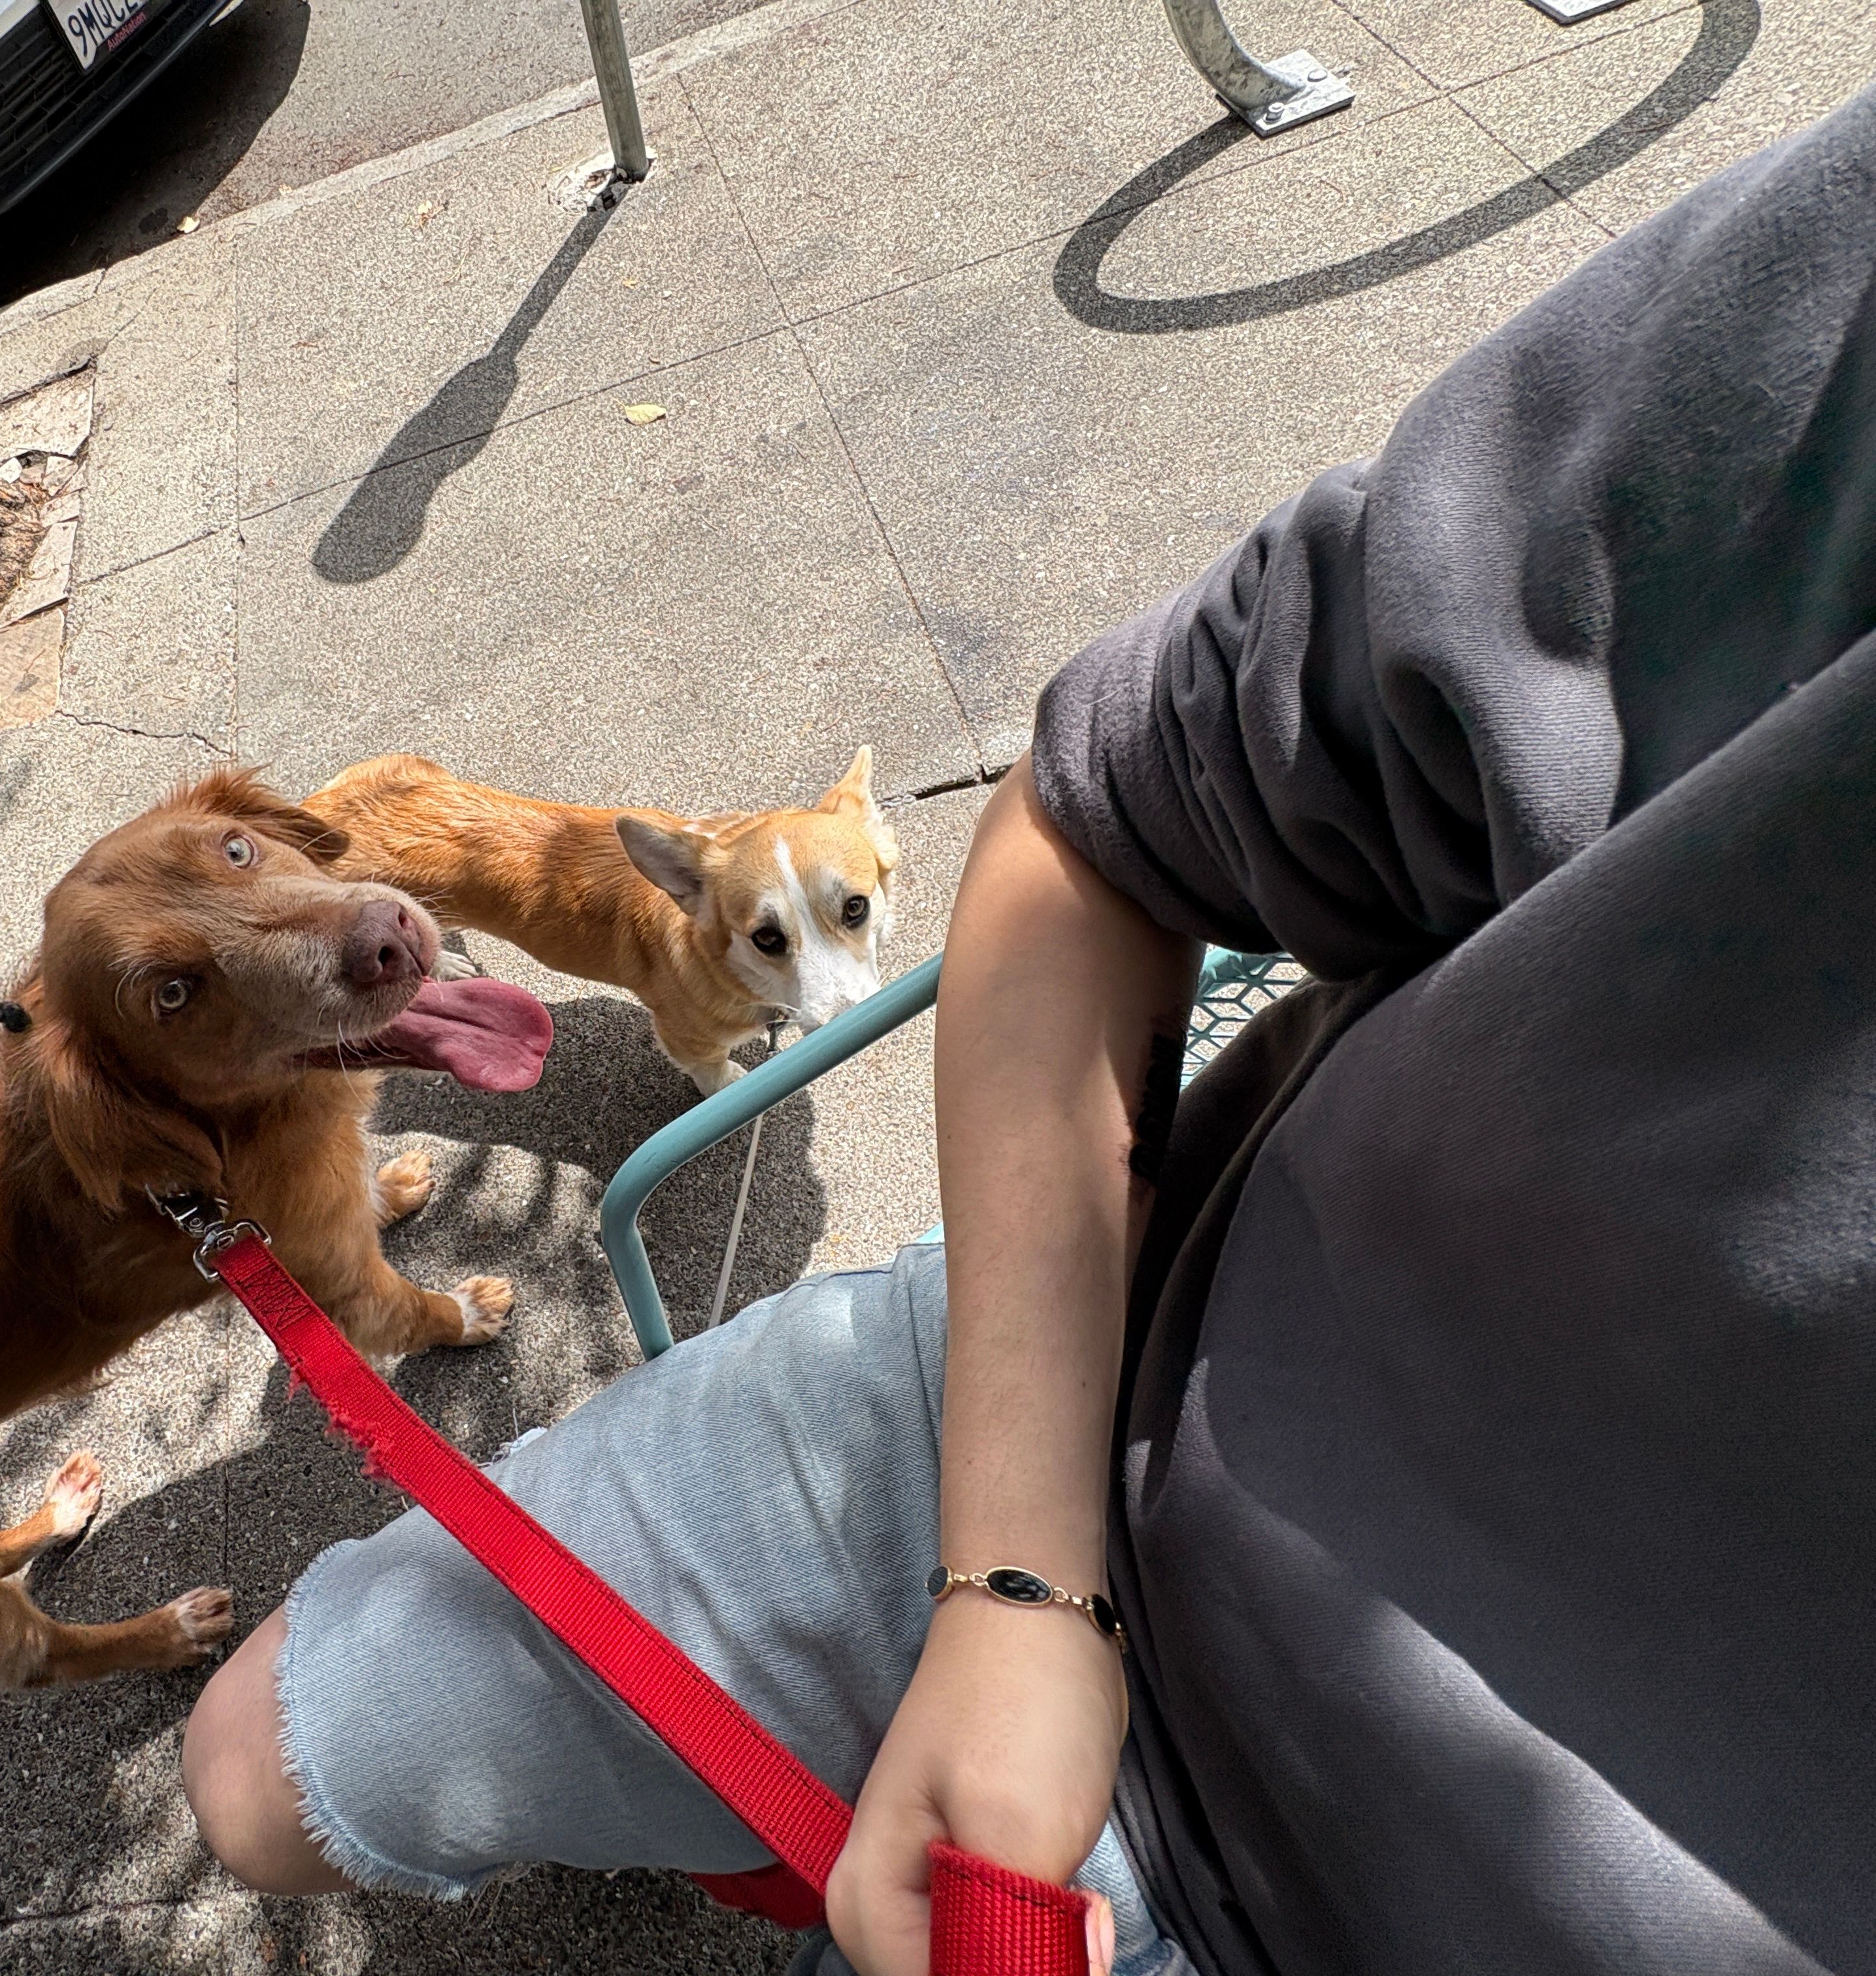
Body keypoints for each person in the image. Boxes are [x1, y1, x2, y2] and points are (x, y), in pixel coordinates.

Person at [178, 82, 1876, 1976]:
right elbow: (1115, 823)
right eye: (771, 940)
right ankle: (747, 1831)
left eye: (846, 918)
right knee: (252, 1774)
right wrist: (1015, 1590)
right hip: (1144, 1371)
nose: (832, 989)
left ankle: (743, 1828)